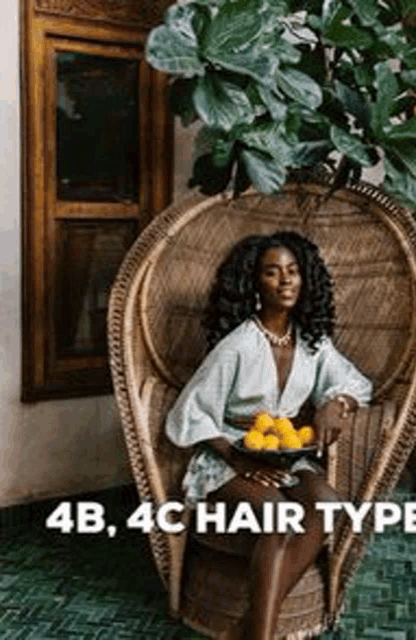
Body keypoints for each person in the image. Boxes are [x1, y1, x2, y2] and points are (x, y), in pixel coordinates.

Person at [165, 231, 372, 640]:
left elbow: (355, 383)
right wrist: (238, 459)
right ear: (255, 284)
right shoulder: (238, 345)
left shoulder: (312, 343)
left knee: (328, 504)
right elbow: (188, 413)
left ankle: (248, 631)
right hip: (229, 456)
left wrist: (336, 403)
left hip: (283, 452)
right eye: (272, 272)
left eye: (293, 271)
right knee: (279, 516)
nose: (286, 281)